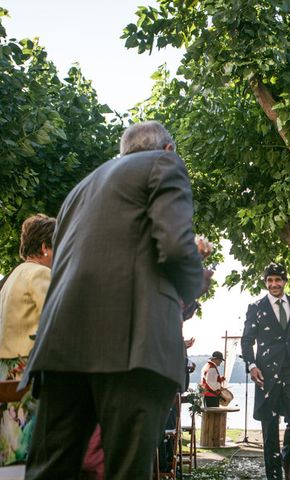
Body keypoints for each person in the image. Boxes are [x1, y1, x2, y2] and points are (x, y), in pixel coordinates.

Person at [21, 121, 204, 479]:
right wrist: (195, 283)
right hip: (132, 346)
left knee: (49, 469)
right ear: (167, 149)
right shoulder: (165, 165)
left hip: (60, 345)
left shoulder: (80, 189)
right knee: (126, 471)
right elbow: (175, 249)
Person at [241, 263, 290, 480]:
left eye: (278, 280)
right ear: (266, 283)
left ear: (285, 281)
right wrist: (252, 366)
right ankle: (274, 474)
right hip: (266, 373)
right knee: (269, 423)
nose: (274, 284)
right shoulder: (256, 307)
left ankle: (287, 459)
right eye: (270, 280)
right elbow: (247, 340)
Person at [0, 214, 55, 466]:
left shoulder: (13, 276)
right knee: (30, 448)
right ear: (45, 247)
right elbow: (54, 319)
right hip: (28, 371)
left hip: (6, 371)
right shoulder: (39, 274)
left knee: (9, 447)